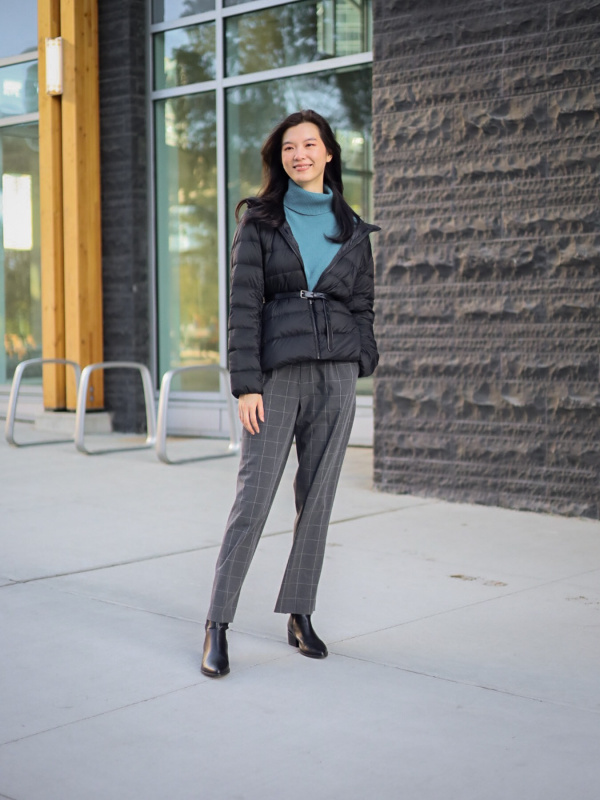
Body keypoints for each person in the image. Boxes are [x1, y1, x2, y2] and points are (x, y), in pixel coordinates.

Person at [201, 109, 379, 678]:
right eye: (288, 148)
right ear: (280, 160)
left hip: (336, 377)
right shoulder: (259, 222)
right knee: (252, 501)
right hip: (278, 379)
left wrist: (362, 356)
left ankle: (300, 615)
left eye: (309, 145)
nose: (299, 154)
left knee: (317, 500)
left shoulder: (351, 226)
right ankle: (217, 623)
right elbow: (242, 307)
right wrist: (245, 385)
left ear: (329, 153)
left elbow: (363, 303)